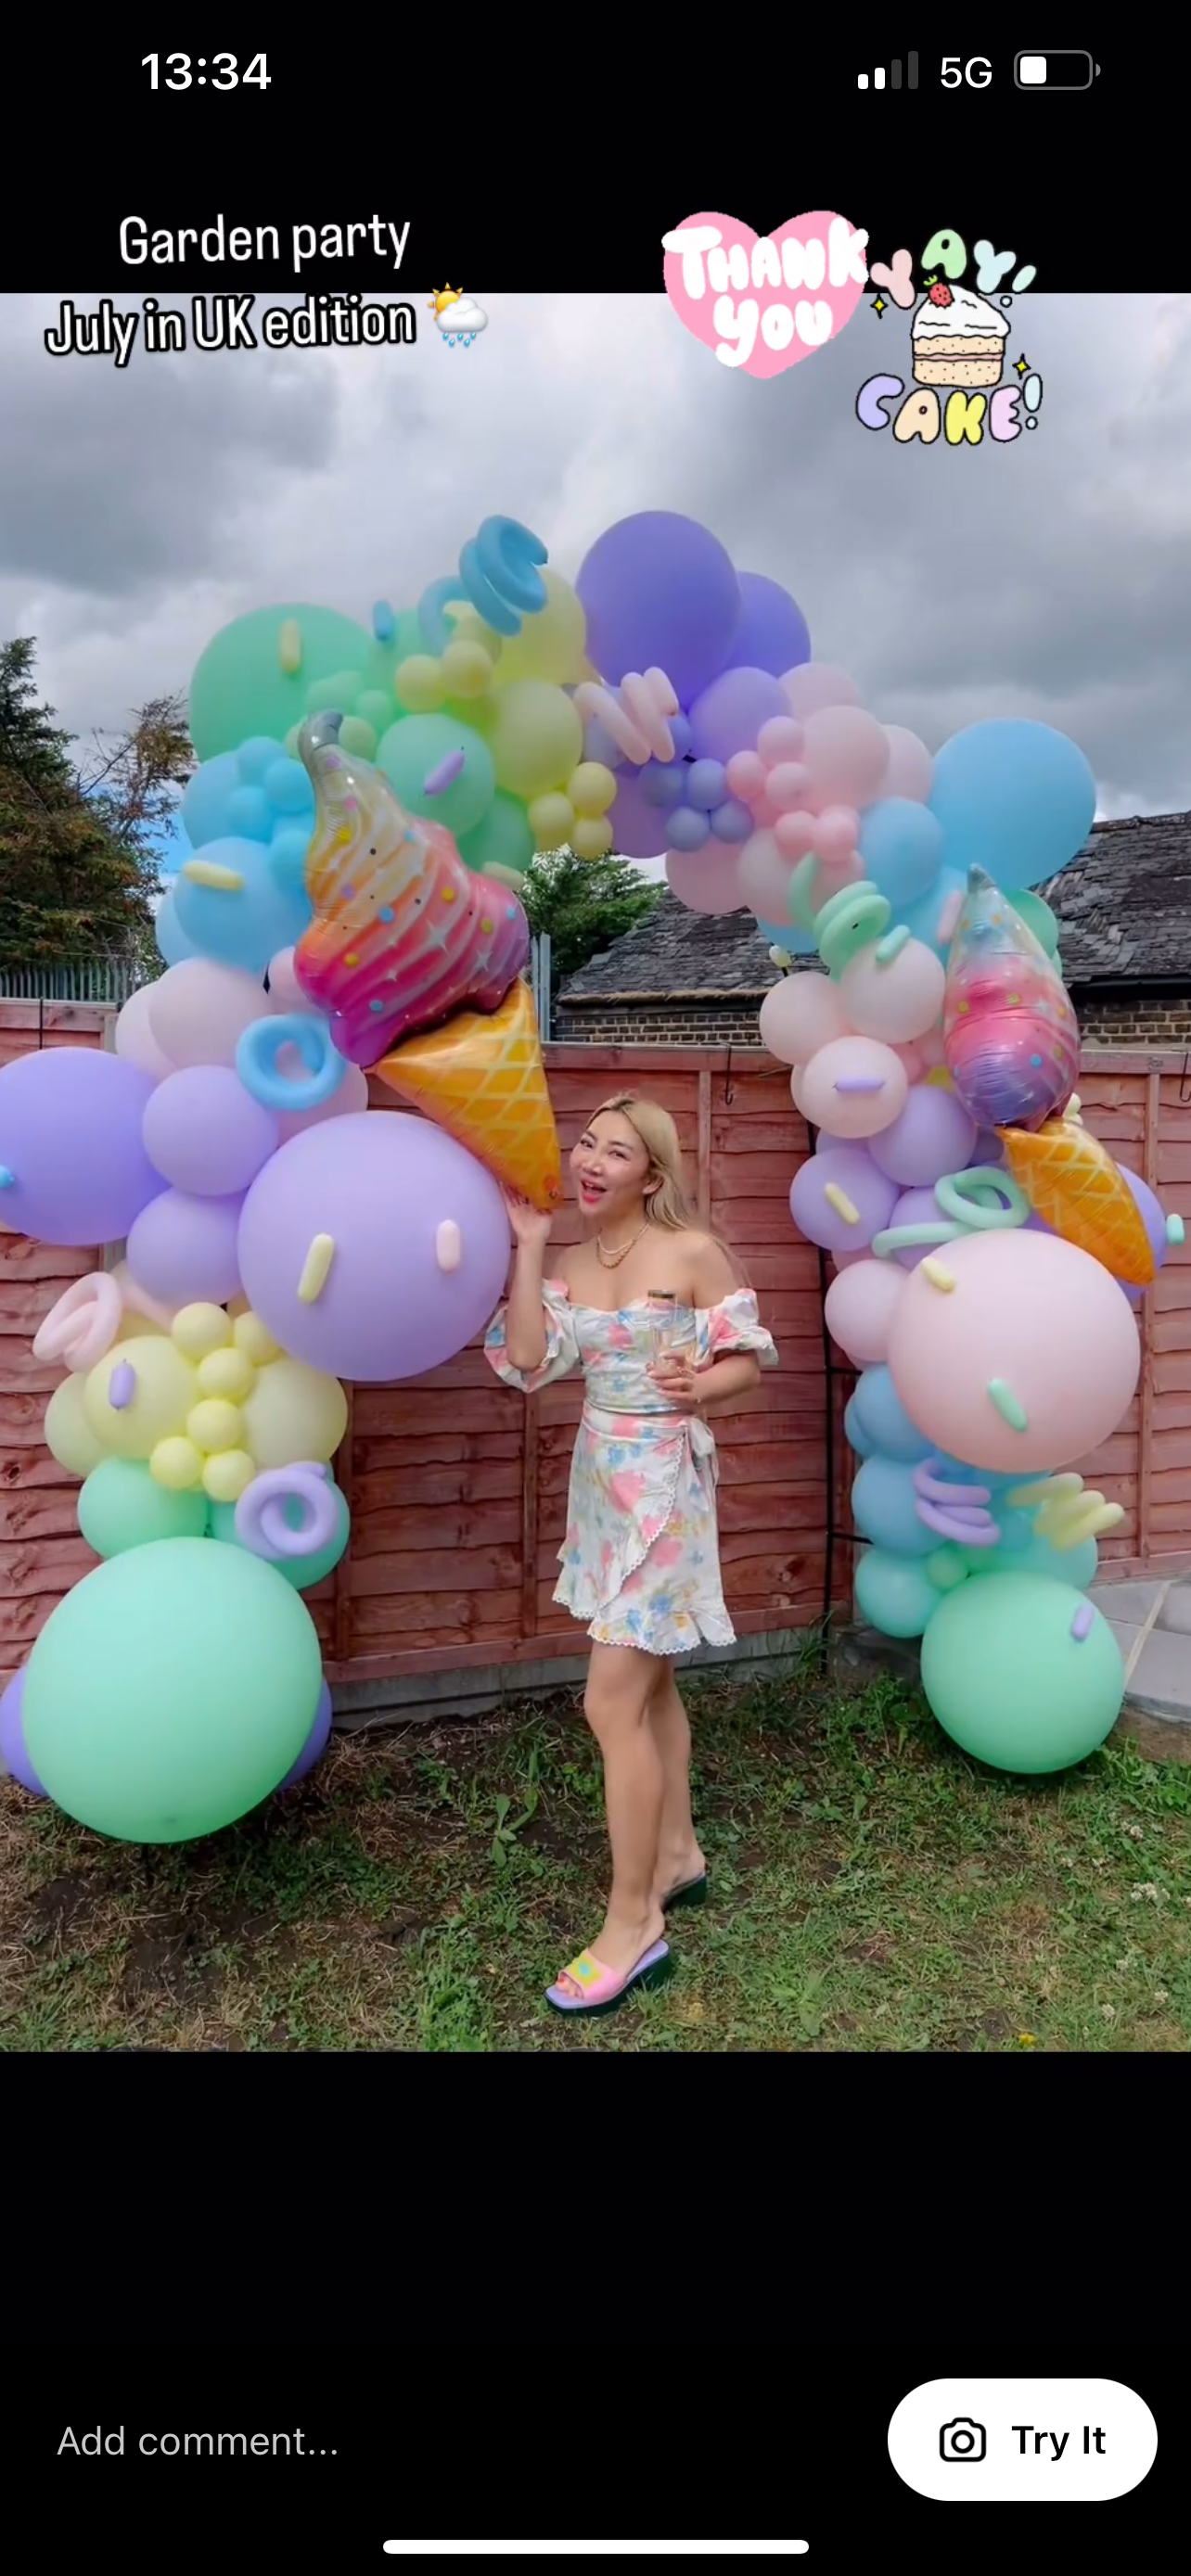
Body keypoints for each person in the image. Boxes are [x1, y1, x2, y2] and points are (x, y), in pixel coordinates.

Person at [484, 1093, 779, 2017]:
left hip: (667, 1492)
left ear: (651, 1175)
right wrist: (528, 1245)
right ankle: (680, 1853)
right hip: (601, 1486)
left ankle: (634, 1919)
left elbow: (750, 1363)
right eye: (586, 1144)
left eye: (617, 1151)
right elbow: (530, 1364)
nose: (592, 1160)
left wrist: (702, 1384)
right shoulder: (569, 1259)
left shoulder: (692, 1251)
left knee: (608, 1700)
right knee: (650, 1689)